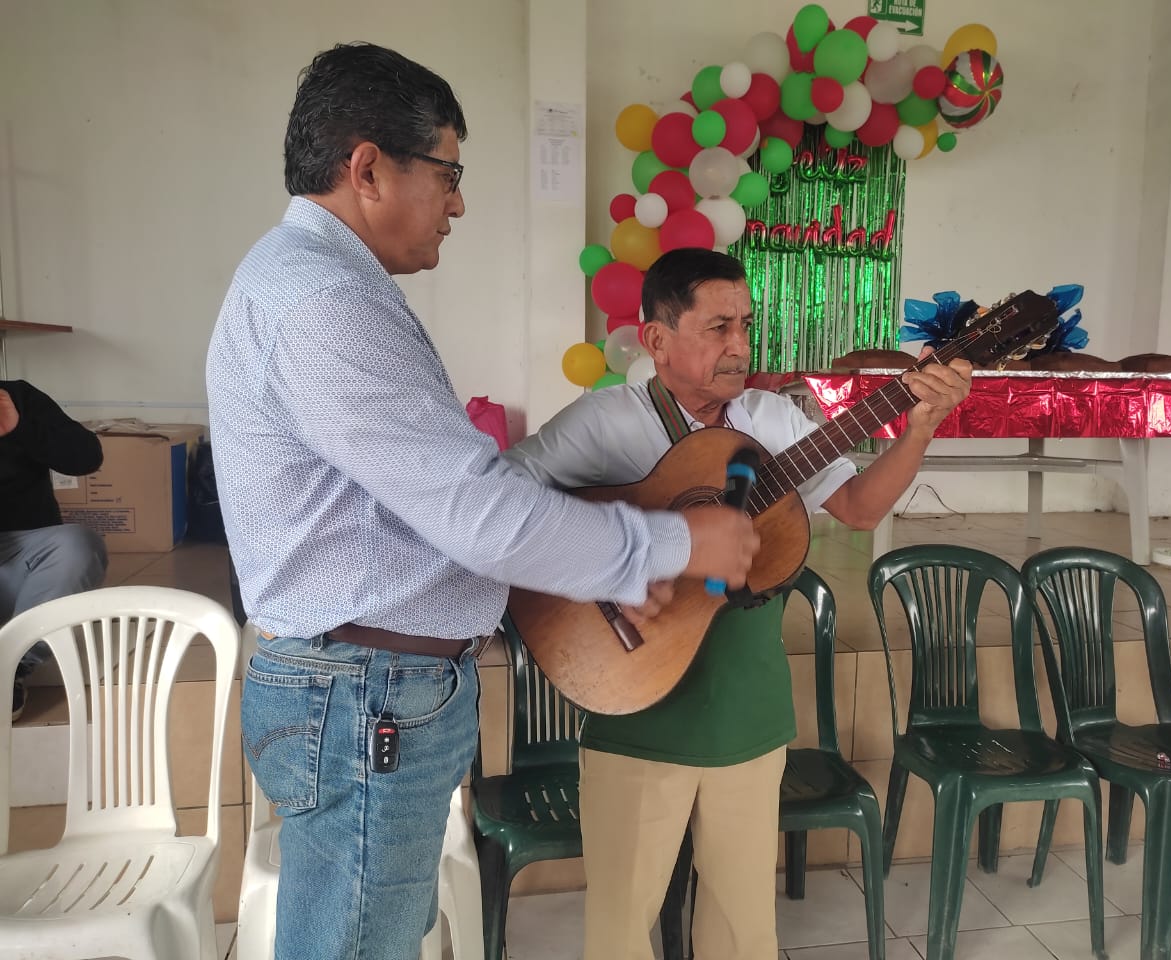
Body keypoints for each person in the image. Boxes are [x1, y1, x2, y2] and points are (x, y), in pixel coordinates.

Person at [204, 43, 758, 960]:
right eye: (448, 174)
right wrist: (669, 545)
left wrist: (599, 569)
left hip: (370, 690)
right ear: (368, 168)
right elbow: (476, 510)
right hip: (367, 695)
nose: (457, 204)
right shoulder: (322, 301)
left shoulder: (313, 282)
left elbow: (437, 506)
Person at [504, 247, 973, 960]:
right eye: (718, 327)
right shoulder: (604, 423)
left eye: (746, 325)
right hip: (635, 700)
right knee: (620, 927)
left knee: (743, 926)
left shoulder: (771, 419)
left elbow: (858, 507)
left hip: (748, 706)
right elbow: (504, 507)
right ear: (657, 339)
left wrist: (920, 427)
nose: (740, 346)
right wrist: (612, 565)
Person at [0, 380, 108, 720]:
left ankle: (10, 667)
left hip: (26, 562)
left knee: (77, 546)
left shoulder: (17, 398)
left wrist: (21, 428)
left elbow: (87, 457)